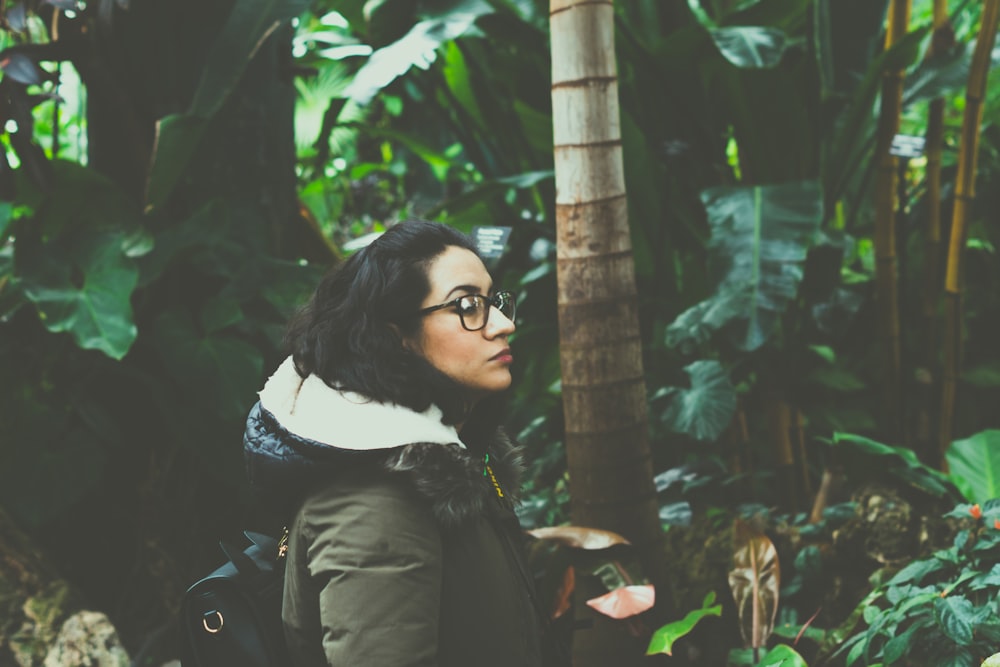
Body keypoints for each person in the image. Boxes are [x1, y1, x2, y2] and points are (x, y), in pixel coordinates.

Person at [243, 220, 553, 666]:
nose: (502, 325)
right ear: (396, 335)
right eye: (468, 305)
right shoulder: (376, 499)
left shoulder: (442, 461)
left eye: (495, 301)